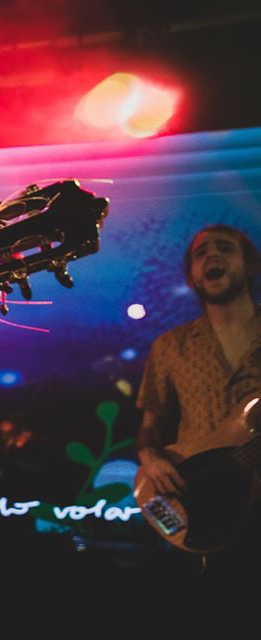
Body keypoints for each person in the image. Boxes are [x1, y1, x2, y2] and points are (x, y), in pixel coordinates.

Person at [135, 223, 261, 591]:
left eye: (224, 248)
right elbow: (151, 425)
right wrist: (151, 457)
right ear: (192, 276)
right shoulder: (170, 346)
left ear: (250, 266)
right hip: (204, 501)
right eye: (200, 253)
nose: (211, 256)